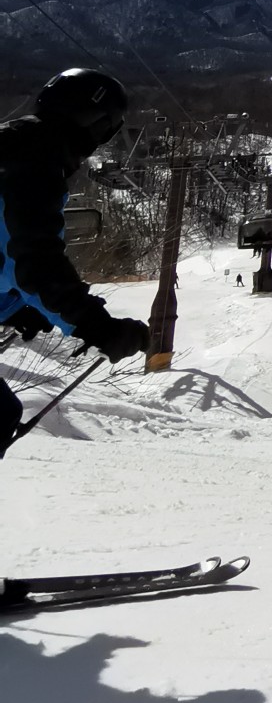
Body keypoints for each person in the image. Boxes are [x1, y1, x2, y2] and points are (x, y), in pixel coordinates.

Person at [0, 70, 150, 458]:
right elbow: (34, 261)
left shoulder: (14, 144)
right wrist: (96, 326)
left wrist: (15, 306)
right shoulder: (31, 166)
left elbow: (5, 256)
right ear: (100, 129)